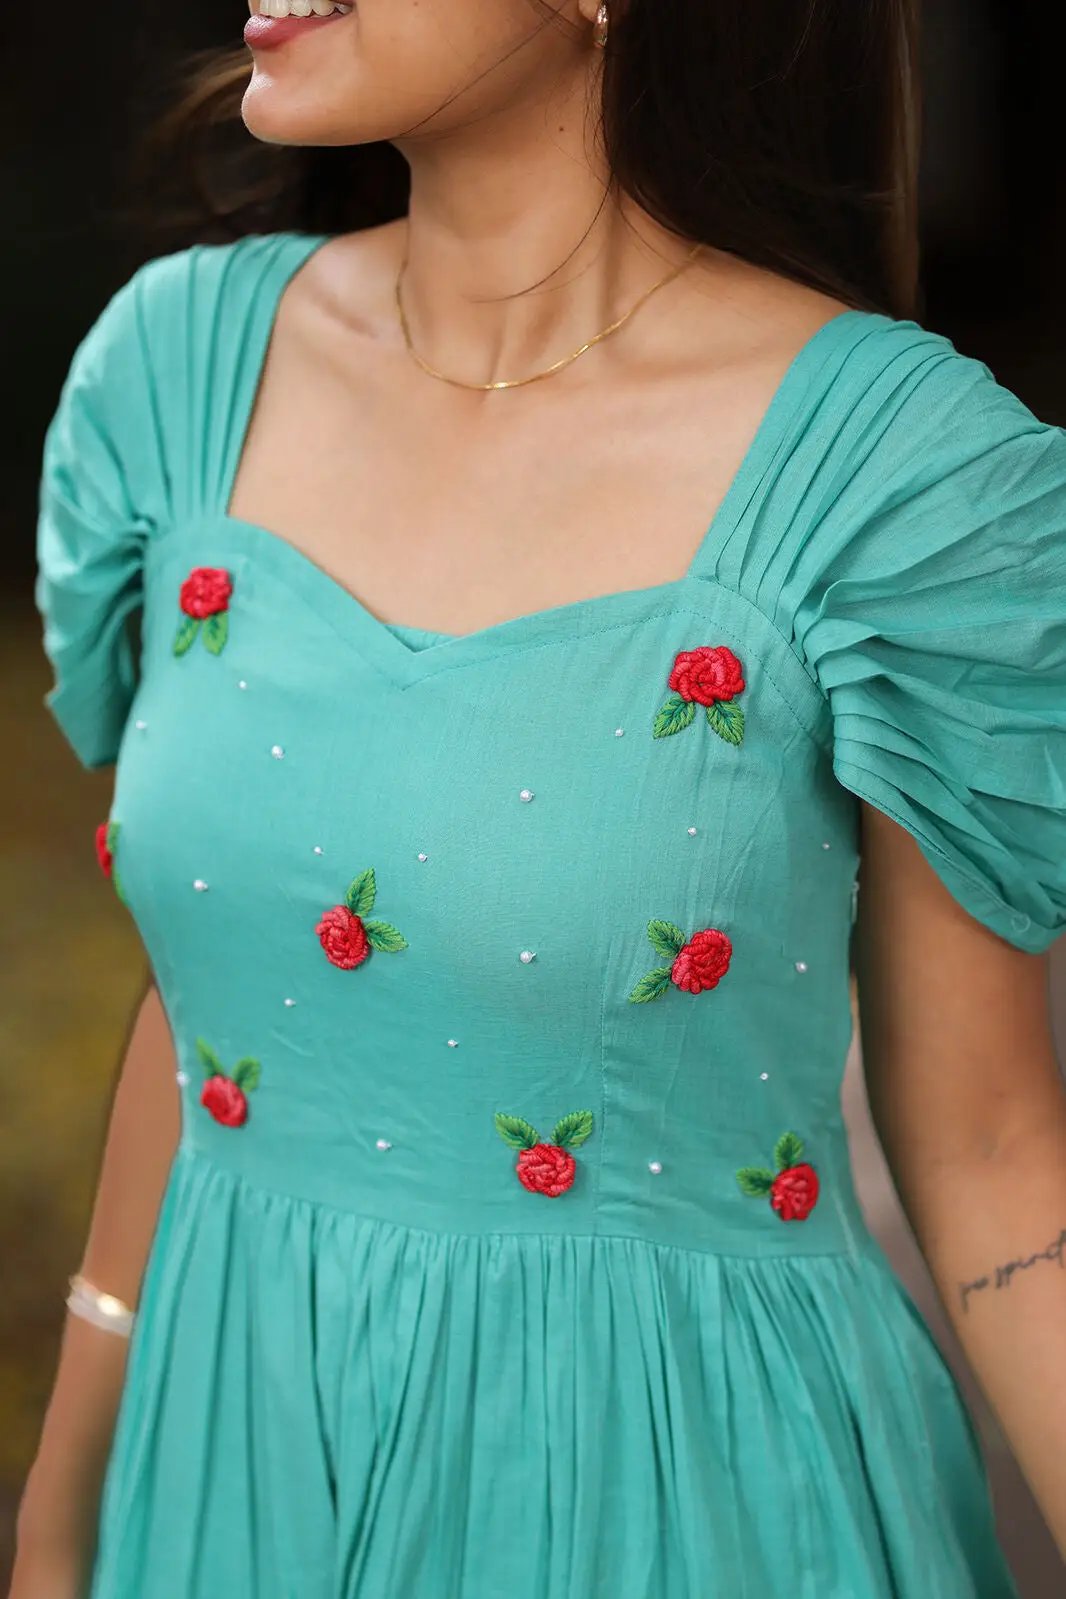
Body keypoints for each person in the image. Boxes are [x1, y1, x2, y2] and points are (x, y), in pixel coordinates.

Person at [12, 1, 1066, 1595]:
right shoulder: (172, 377)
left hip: (672, 1497)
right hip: (230, 1479)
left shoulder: (909, 478)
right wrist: (59, 1516)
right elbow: (217, 1006)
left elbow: (989, 1146)